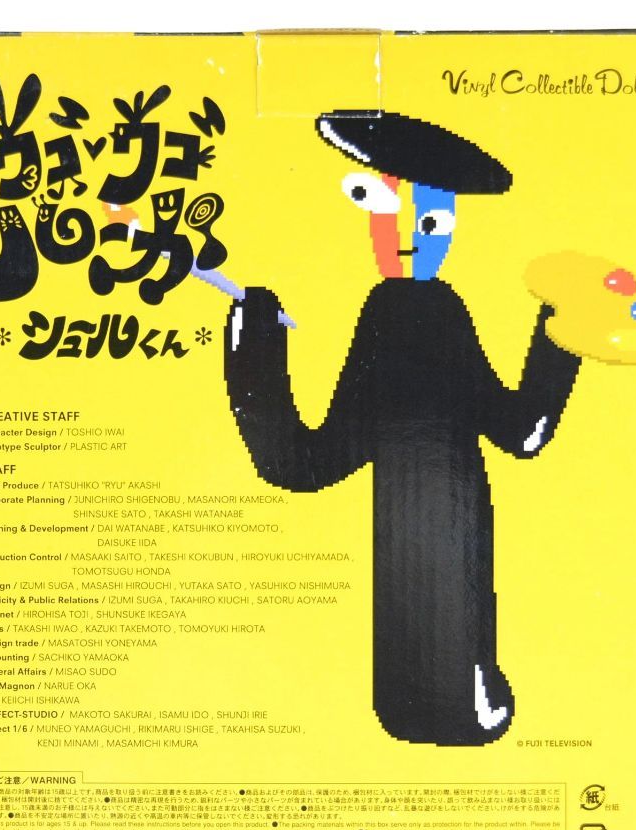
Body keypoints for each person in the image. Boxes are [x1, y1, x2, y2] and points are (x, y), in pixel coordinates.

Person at [224, 110, 581, 746]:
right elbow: (303, 461)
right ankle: (437, 696)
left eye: (428, 220)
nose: (408, 238)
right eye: (385, 212)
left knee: (445, 586)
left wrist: (565, 326)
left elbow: (521, 429)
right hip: (416, 540)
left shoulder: (430, 312)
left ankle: (450, 693)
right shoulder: (393, 313)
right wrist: (255, 342)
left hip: (449, 531)